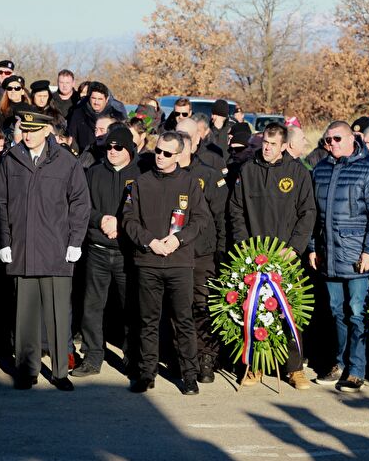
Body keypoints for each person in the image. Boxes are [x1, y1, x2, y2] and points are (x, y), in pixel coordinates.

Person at [0, 111, 90, 392]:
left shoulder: (66, 162)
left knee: (58, 315)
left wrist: (75, 242)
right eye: (25, 129)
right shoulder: (11, 159)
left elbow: (80, 204)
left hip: (56, 250)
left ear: (47, 130)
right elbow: (0, 203)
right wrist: (4, 241)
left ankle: (60, 372)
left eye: (34, 130)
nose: (27, 135)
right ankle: (27, 370)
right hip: (22, 249)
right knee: (25, 316)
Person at [228, 123, 316, 389]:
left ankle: (294, 368)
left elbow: (307, 213)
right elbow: (236, 210)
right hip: (254, 255)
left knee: (290, 313)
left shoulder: (298, 172)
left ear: (284, 146)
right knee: (254, 311)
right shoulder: (248, 169)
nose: (267, 148)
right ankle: (256, 366)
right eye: (265, 142)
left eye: (273, 144)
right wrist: (245, 246)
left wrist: (294, 248)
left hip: (286, 255)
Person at [122, 131, 209, 396]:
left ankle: (189, 375)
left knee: (183, 321)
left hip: (179, 264)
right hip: (148, 262)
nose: (160, 156)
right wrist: (150, 241)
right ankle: (147, 373)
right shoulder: (139, 183)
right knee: (148, 321)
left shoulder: (190, 183)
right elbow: (129, 220)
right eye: (158, 151)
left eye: (167, 153)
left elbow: (201, 220)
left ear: (179, 155)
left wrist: (178, 240)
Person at [309, 121, 369, 393]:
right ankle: (339, 363)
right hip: (329, 255)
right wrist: (312, 248)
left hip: (357, 257)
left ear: (351, 139)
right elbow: (313, 215)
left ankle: (357, 369)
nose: (330, 144)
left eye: (336, 139)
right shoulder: (320, 169)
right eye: (327, 140)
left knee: (357, 313)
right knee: (335, 312)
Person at [71, 127, 142, 378]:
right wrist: (102, 219)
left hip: (127, 252)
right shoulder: (93, 173)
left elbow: (147, 213)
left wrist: (121, 224)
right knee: (92, 306)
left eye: (118, 147)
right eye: (109, 147)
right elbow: (81, 207)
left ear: (129, 150)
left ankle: (132, 356)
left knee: (130, 307)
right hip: (98, 250)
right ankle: (92, 356)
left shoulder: (141, 174)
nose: (112, 151)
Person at [174, 119, 227, 384]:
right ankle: (184, 359)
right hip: (172, 254)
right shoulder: (165, 172)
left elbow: (221, 219)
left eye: (186, 136)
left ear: (196, 141)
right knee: (177, 309)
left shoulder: (209, 175)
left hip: (203, 255)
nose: (181, 139)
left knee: (203, 307)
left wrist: (220, 252)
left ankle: (206, 358)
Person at [67, 82, 125, 153]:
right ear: (89, 98)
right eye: (93, 98)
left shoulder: (116, 116)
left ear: (107, 99)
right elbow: (71, 138)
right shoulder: (78, 114)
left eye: (100, 99)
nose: (96, 102)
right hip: (84, 156)